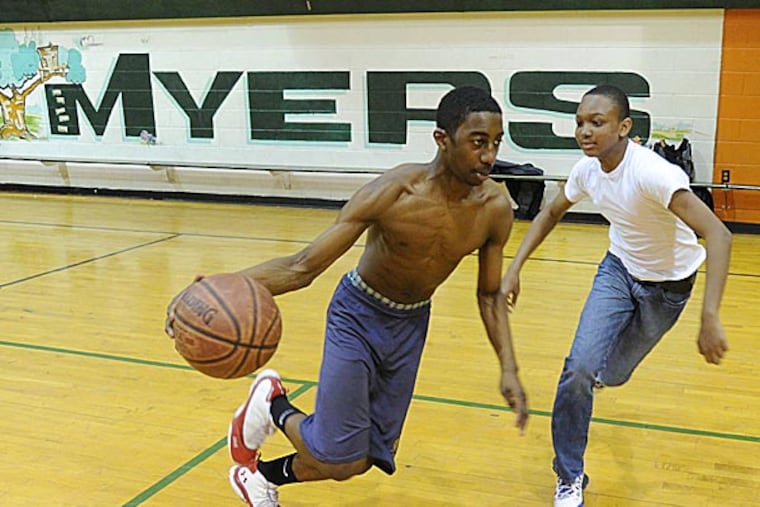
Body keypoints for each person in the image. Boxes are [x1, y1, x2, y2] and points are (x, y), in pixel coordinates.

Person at [166, 86, 529, 506]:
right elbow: (302, 267)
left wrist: (509, 367)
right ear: (442, 139)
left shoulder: (496, 208)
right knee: (335, 450)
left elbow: (488, 295)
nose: (488, 155)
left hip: (411, 326)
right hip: (358, 315)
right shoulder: (394, 192)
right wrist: (211, 290)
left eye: (496, 143)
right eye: (477, 142)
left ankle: (261, 477)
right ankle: (273, 406)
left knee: (354, 463)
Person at [501, 84, 732, 507]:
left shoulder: (653, 173)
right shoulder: (586, 171)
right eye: (579, 123)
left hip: (669, 289)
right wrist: (515, 267)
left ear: (624, 127)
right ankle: (569, 476)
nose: (584, 131)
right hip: (618, 272)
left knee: (614, 373)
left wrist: (710, 315)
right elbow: (551, 212)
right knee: (578, 370)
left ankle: (602, 374)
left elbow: (718, 233)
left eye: (597, 122)